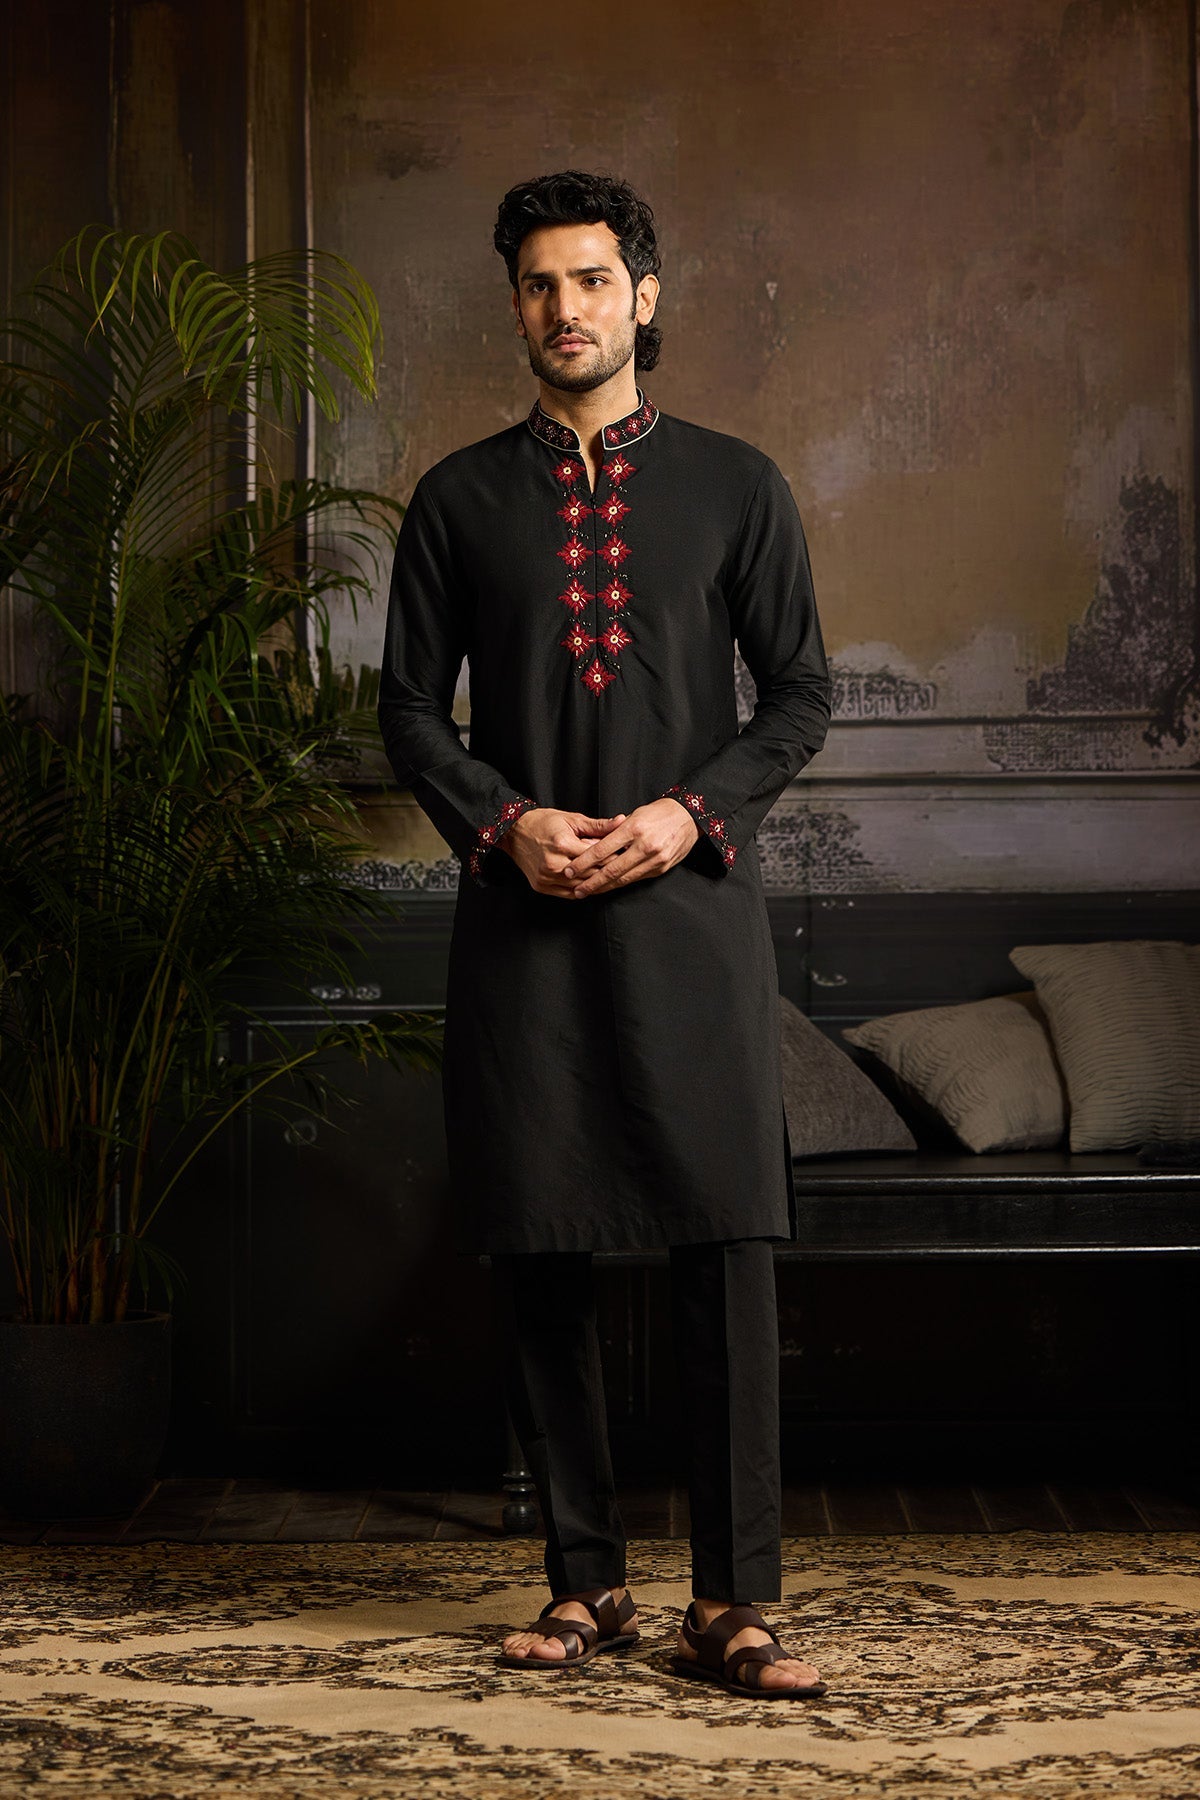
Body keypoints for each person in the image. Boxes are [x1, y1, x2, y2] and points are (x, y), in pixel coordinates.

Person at [377, 170, 831, 1698]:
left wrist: (694, 814)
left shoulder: (737, 485)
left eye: (588, 280)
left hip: (693, 919)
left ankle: (735, 1601)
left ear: (645, 294)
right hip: (523, 921)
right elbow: (406, 711)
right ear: (515, 306)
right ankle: (585, 1582)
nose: (562, 308)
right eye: (536, 284)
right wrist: (505, 823)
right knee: (543, 1245)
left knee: (725, 1250)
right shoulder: (457, 499)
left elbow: (801, 696)